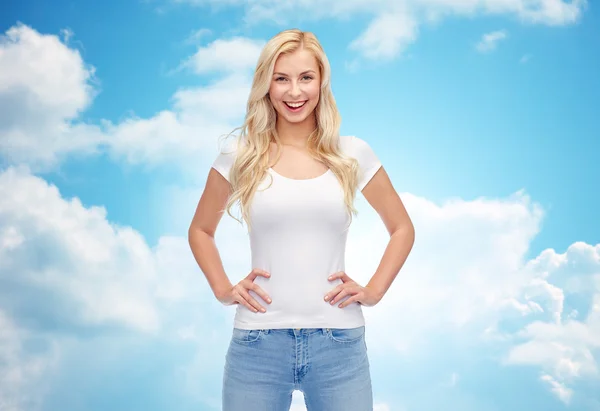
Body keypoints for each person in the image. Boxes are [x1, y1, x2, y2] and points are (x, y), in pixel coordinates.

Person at [188, 28, 415, 411]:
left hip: (339, 344)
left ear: (322, 82)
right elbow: (200, 230)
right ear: (266, 85)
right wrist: (223, 289)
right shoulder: (240, 155)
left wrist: (375, 291)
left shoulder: (352, 153)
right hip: (257, 345)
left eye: (305, 78)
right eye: (282, 79)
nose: (295, 92)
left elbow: (402, 228)